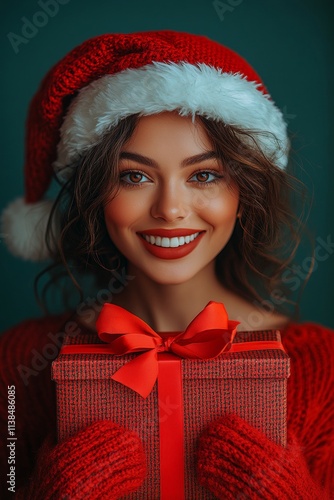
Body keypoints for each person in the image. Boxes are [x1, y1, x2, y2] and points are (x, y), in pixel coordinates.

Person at [0, 30, 333, 499]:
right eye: (133, 176)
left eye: (204, 175)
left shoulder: (324, 369)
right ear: (96, 196)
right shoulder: (17, 366)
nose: (170, 209)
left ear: (244, 193)